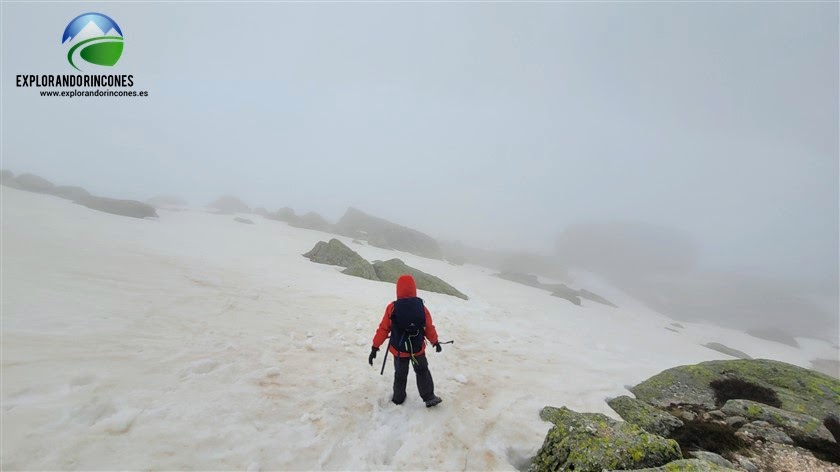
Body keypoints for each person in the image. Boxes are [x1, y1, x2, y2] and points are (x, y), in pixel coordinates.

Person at [368, 274, 443, 407]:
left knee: (400, 374)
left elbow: (383, 329)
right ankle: (429, 397)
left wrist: (375, 347)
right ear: (414, 288)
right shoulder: (421, 307)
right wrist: (435, 342)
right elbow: (428, 327)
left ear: (398, 289)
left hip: (399, 350)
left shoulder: (392, 308)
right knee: (422, 371)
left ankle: (398, 398)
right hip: (417, 349)